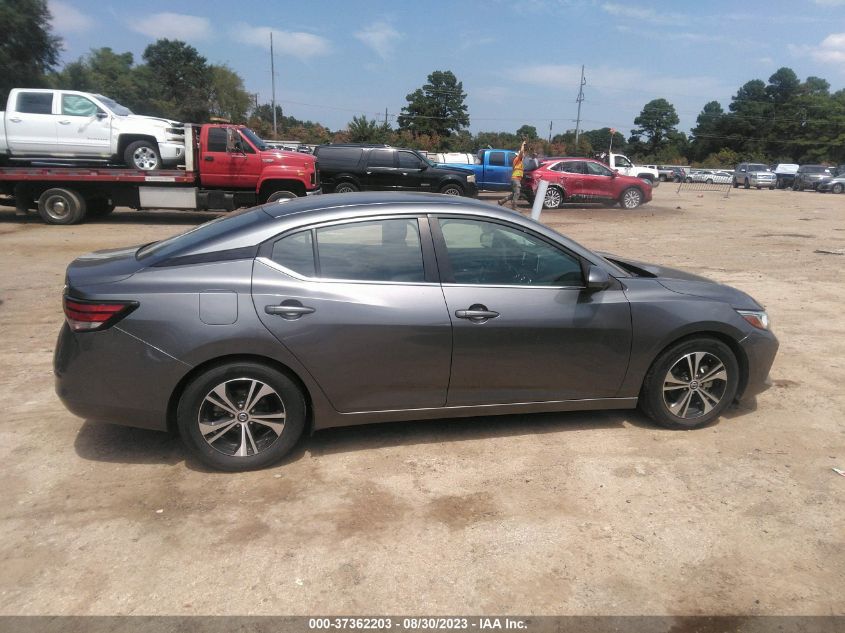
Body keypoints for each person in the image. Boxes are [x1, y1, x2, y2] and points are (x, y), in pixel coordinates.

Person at [499, 141, 526, 209]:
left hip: (515, 179)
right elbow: (522, 152)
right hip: (515, 179)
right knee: (517, 193)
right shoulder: (517, 159)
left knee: (514, 194)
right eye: (522, 154)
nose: (523, 155)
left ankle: (502, 201)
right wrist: (522, 144)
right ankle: (514, 207)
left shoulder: (519, 161)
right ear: (519, 154)